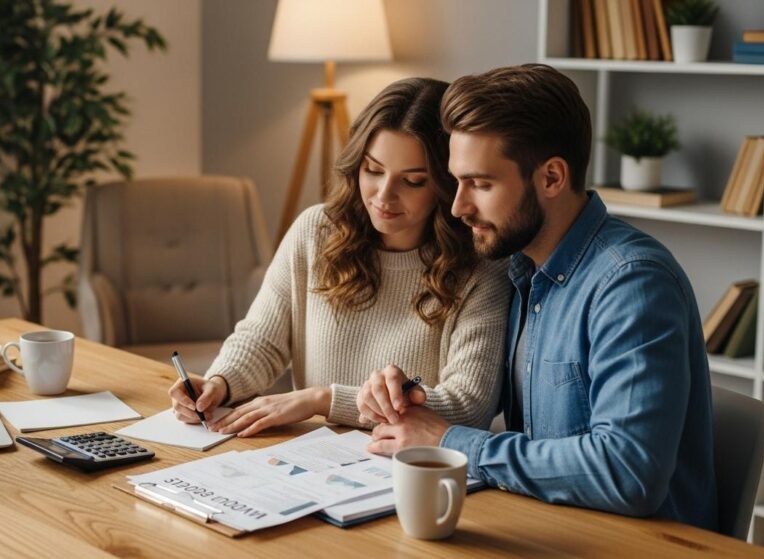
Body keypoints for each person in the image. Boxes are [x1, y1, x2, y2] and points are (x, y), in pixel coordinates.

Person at [361, 64, 717, 530]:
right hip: (550, 530)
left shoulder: (632, 284)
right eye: (456, 181)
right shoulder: (520, 270)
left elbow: (629, 473)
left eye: (481, 184)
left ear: (551, 177)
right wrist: (411, 401)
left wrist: (452, 440)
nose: (458, 207)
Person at [168, 77, 511, 437]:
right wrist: (219, 384)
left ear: (446, 183)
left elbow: (470, 406)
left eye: (412, 181)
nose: (384, 195)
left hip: (406, 470)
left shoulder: (481, 266)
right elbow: (261, 340)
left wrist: (325, 400)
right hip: (311, 460)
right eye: (373, 170)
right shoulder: (316, 231)